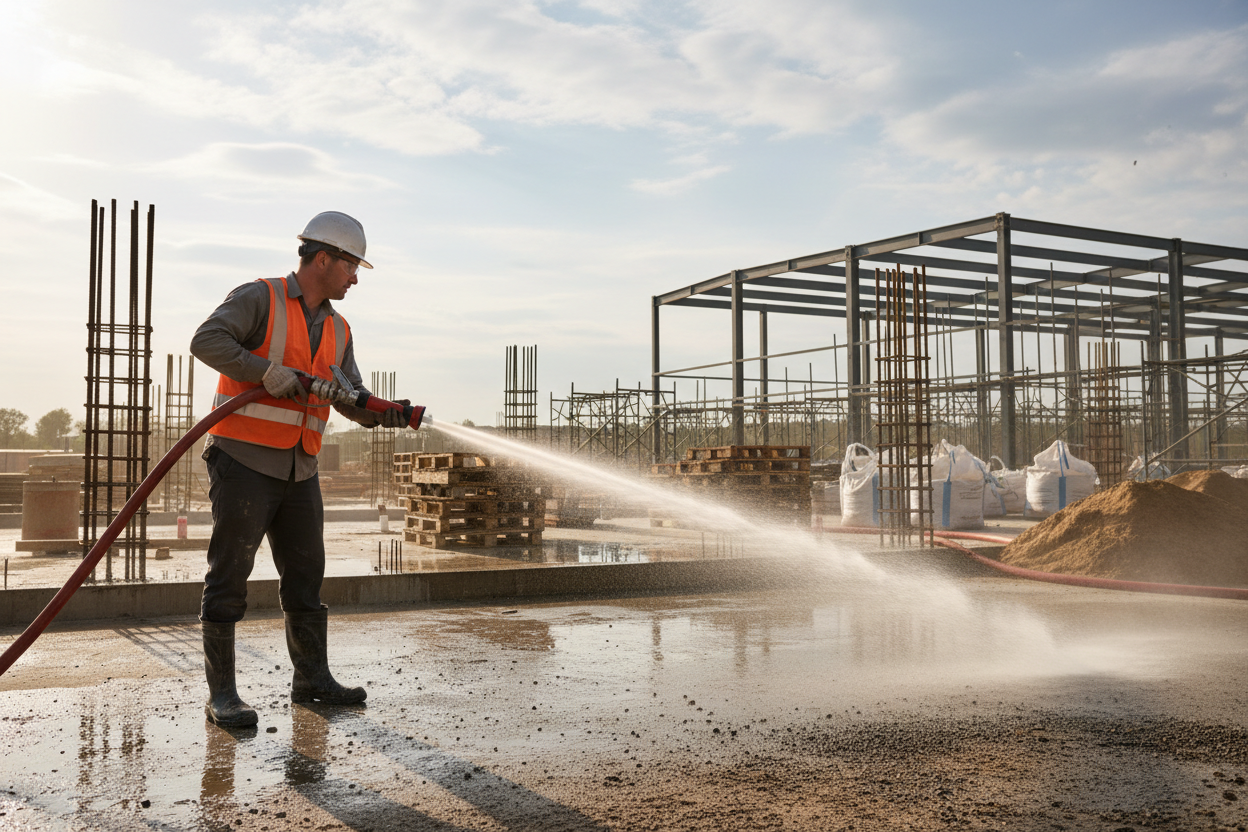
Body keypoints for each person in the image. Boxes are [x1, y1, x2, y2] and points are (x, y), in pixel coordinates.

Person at [190, 211, 409, 728]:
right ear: (324, 258)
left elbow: (349, 396)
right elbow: (207, 341)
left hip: (300, 468)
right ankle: (222, 696)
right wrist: (264, 371)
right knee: (229, 578)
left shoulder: (339, 326)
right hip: (244, 459)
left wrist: (383, 412)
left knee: (307, 578)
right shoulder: (260, 297)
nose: (355, 277)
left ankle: (311, 679)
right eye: (352, 265)